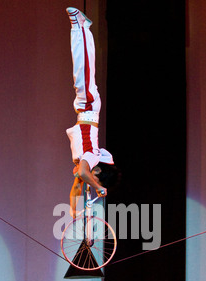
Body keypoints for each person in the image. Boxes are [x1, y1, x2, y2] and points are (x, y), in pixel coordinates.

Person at [65, 7, 120, 217]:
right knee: (84, 68)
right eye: (95, 180)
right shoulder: (93, 158)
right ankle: (81, 26)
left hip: (83, 111)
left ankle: (79, 28)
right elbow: (83, 174)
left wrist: (73, 213)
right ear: (97, 173)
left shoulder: (86, 165)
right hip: (88, 109)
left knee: (81, 71)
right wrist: (98, 187)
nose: (92, 183)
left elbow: (77, 188)